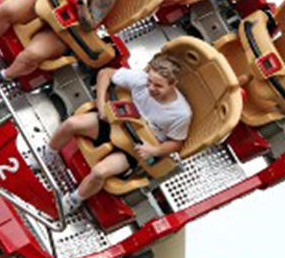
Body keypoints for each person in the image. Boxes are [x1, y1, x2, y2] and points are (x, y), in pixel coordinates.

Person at [46, 52, 192, 213]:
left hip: (133, 147)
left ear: (173, 84)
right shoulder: (141, 79)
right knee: (71, 123)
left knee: (99, 172)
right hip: (115, 124)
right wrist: (101, 104)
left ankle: (72, 202)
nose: (150, 88)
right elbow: (105, 74)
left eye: (158, 86)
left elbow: (177, 142)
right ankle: (48, 155)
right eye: (150, 82)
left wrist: (154, 150)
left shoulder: (181, 114)